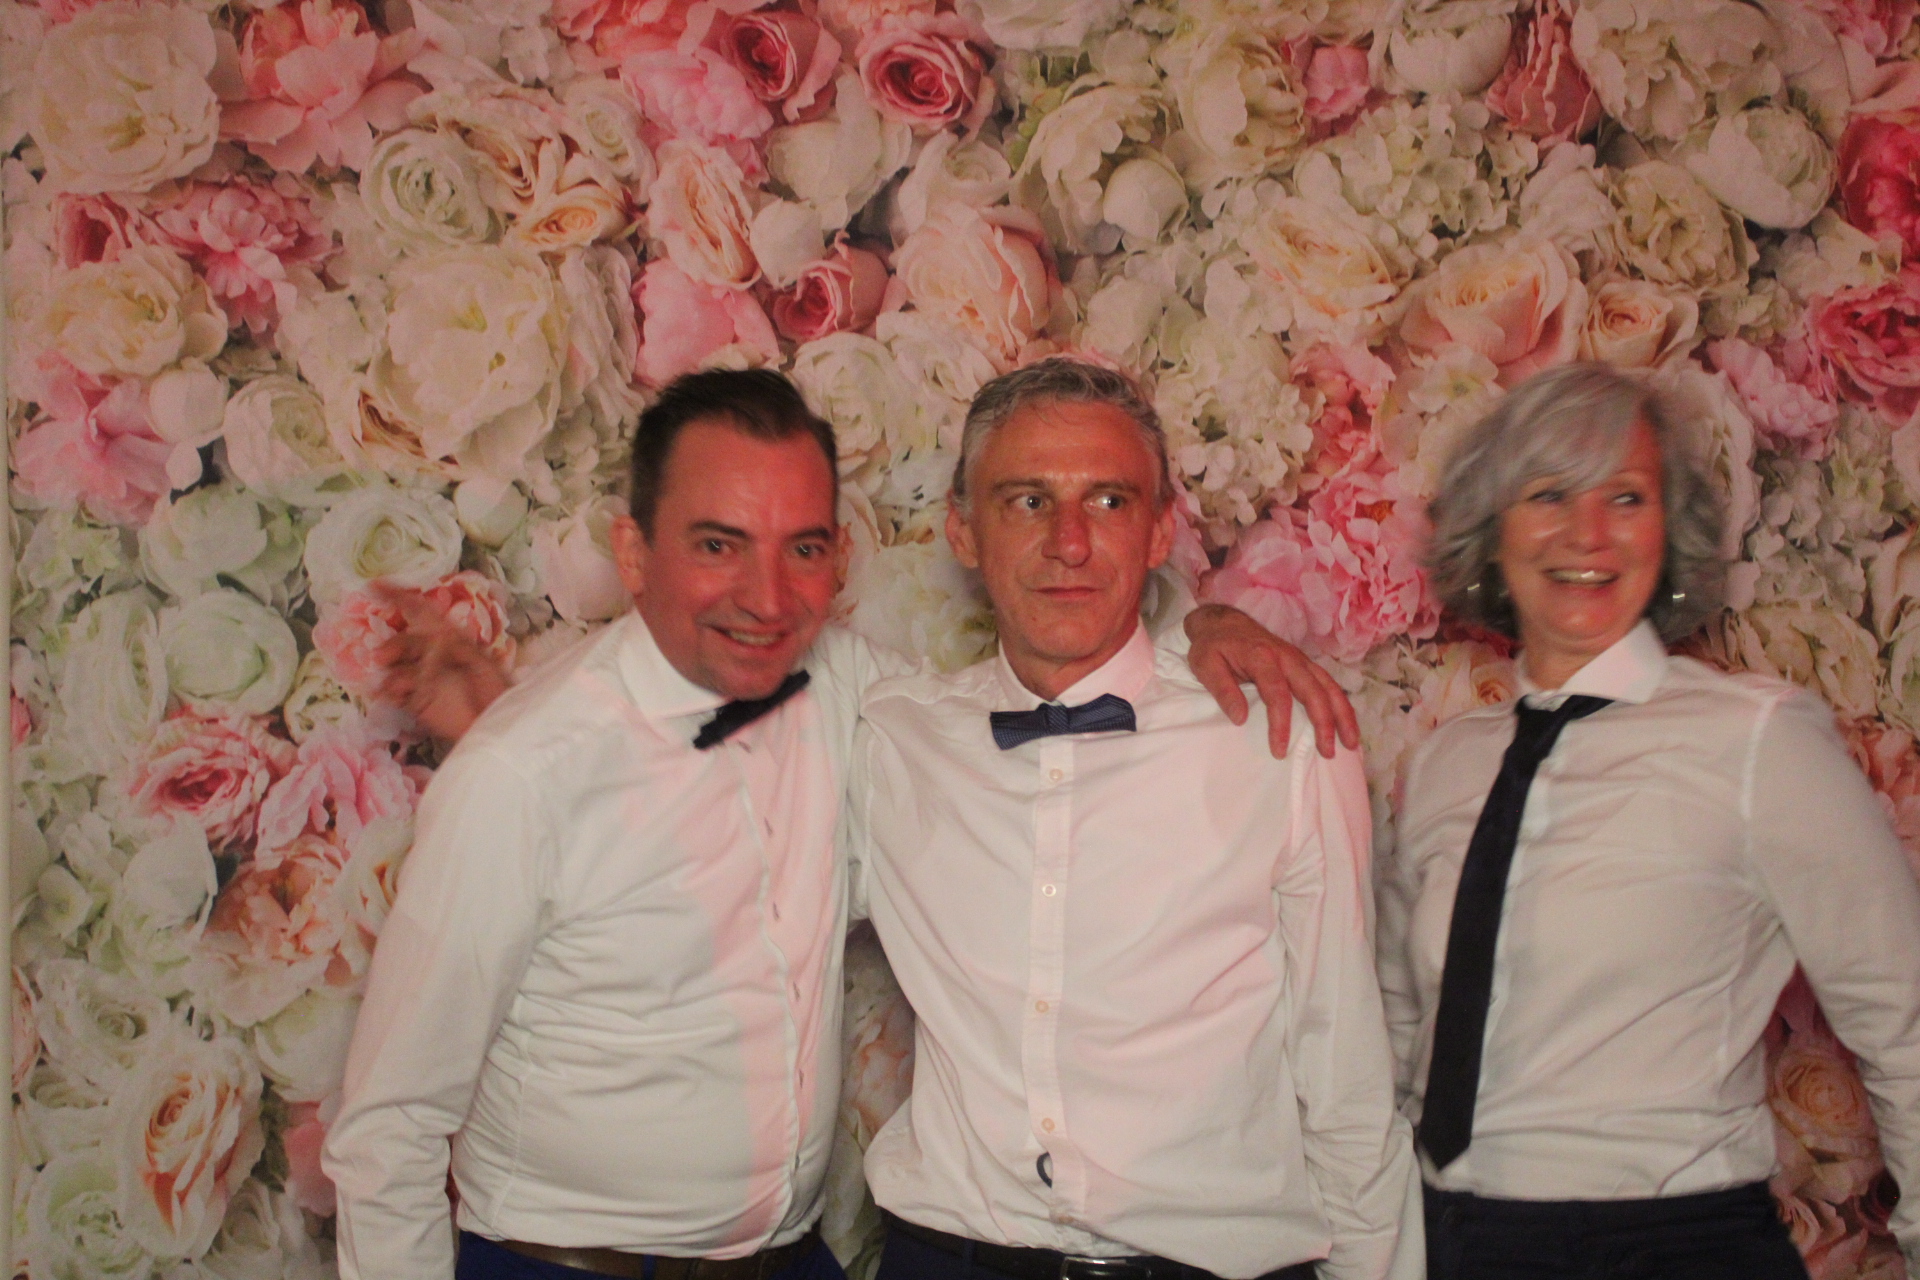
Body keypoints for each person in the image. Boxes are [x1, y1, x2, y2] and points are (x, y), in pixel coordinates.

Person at [324, 367, 1355, 1280]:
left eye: (803, 548)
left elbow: (1057, 671)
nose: (766, 595)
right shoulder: (521, 771)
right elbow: (387, 1128)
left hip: (796, 1262)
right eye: (719, 543)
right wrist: (506, 740)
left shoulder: (866, 700)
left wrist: (1207, 623)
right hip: (566, 1267)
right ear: (633, 551)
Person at [847, 360, 1421, 1280]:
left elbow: (1346, 1078)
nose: (1069, 542)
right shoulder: (890, 740)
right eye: (1027, 501)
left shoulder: (1280, 740)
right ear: (963, 529)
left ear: (1159, 531)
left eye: (1108, 501)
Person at [1381, 362, 1920, 1280]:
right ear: (1493, 528)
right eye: (1549, 493)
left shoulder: (1759, 739)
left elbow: (1902, 1020)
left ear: (1668, 529)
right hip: (1452, 1244)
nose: (1587, 533)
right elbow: (1400, 1040)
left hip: (1676, 1248)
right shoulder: (1444, 764)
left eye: (1625, 496)